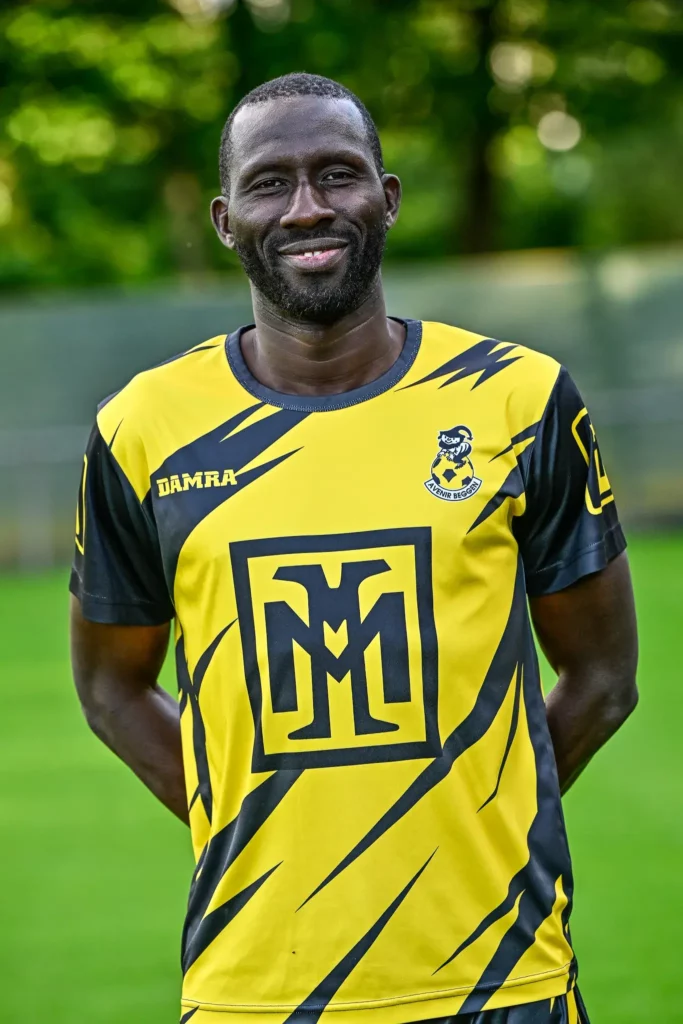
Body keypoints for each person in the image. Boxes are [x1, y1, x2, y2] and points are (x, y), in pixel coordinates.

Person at [69, 73, 638, 1024]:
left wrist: (468, 820)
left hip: (503, 978)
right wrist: (242, 827)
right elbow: (110, 686)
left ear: (388, 196)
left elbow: (603, 676)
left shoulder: (517, 398)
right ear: (223, 218)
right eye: (268, 183)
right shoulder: (142, 430)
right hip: (254, 988)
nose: (306, 208)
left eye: (338, 174)